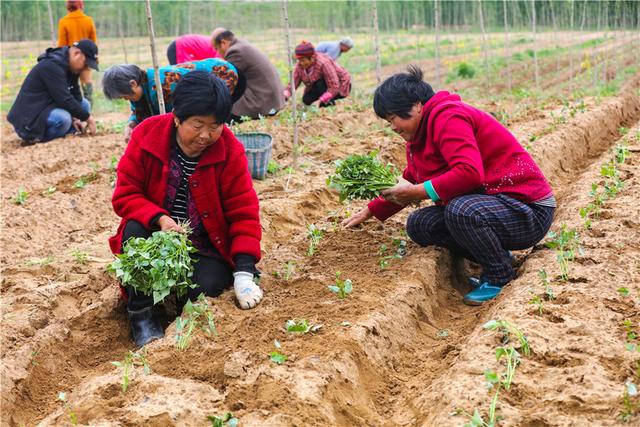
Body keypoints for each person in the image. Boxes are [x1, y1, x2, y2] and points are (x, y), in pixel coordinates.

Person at [343, 66, 556, 306]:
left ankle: (499, 275)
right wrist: (372, 210)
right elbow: (412, 176)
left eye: (393, 118)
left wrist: (416, 193)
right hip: (496, 206)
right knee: (420, 225)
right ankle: (497, 257)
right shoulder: (419, 135)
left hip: (527, 209)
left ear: (415, 105)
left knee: (461, 210)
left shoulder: (448, 117)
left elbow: (469, 173)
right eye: (388, 121)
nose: (392, 126)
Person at [109, 71, 264, 346]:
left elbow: (244, 212)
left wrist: (243, 272)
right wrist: (159, 219)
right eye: (197, 124)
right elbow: (125, 194)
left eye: (215, 126)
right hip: (155, 233)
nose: (206, 135)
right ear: (177, 116)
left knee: (208, 286)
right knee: (134, 232)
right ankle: (141, 312)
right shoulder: (147, 135)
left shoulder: (230, 151)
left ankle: (180, 302)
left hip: (204, 244)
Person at [103, 58, 243, 142]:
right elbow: (138, 111)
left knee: (211, 114)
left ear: (133, 84)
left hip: (222, 74)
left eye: (125, 96)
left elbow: (175, 118)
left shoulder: (161, 87)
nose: (126, 99)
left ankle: (223, 141)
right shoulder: (138, 90)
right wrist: (131, 125)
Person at [8, 39, 98, 144]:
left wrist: (77, 117)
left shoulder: (71, 66)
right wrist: (88, 118)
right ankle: (35, 139)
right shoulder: (52, 65)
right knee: (63, 119)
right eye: (86, 63)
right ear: (76, 53)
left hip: (49, 105)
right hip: (31, 116)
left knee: (84, 105)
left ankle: (67, 134)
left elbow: (75, 93)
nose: (86, 68)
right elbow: (64, 99)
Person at [211, 28, 285, 121]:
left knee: (218, 110)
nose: (217, 52)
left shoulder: (236, 51)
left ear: (223, 43)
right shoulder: (241, 45)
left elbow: (224, 81)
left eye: (216, 48)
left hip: (261, 102)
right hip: (271, 100)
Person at [284, 41, 351, 108]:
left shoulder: (323, 63)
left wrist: (320, 100)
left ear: (312, 58)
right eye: (299, 60)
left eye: (303, 60)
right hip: (319, 86)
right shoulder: (299, 66)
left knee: (320, 83)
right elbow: (293, 84)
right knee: (306, 100)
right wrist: (285, 95)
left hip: (338, 85)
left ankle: (329, 103)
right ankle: (323, 100)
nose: (301, 63)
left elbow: (334, 87)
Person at [57, 0, 97, 103]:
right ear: (81, 5)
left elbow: (62, 45)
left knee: (70, 85)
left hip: (70, 60)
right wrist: (94, 58)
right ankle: (88, 111)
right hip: (86, 59)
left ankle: (74, 111)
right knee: (87, 84)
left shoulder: (64, 21)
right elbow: (93, 42)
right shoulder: (88, 20)